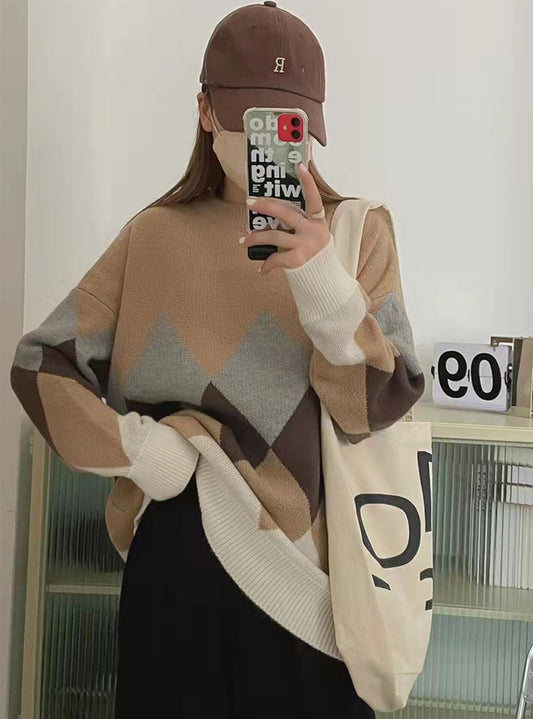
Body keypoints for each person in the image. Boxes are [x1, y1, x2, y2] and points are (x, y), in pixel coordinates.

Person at [10, 2, 425, 717]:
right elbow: (38, 366)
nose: (276, 140)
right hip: (177, 566)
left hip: (318, 587)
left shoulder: (358, 234)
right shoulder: (153, 237)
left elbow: (374, 409)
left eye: (291, 122)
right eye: (254, 118)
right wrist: (142, 452)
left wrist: (320, 280)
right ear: (206, 112)